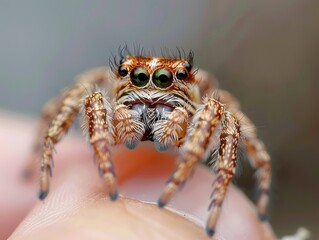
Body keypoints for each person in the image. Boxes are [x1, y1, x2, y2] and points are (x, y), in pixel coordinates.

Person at [0, 112, 276, 240]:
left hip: (185, 138)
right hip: (113, 158)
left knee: (223, 112)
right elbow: (74, 99)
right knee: (88, 89)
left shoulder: (200, 108)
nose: (151, 98)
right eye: (138, 80)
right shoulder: (107, 101)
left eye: (169, 80)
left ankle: (207, 200)